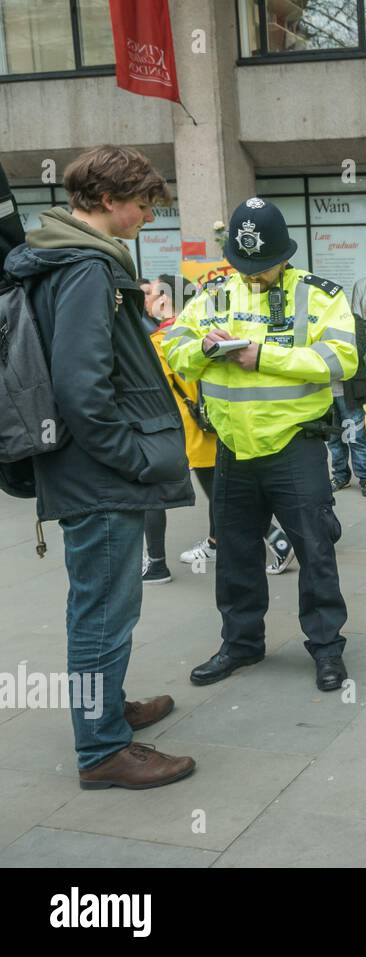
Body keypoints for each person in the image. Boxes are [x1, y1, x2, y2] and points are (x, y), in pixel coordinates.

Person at [4, 145, 196, 790]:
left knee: (103, 604)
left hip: (86, 467)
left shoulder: (67, 257)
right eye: (143, 203)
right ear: (108, 200)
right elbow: (85, 387)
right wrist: (133, 458)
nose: (148, 214)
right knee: (103, 612)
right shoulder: (87, 268)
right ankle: (102, 750)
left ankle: (106, 710)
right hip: (101, 472)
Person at [164, 197, 359, 693]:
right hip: (232, 447)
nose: (253, 275)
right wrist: (206, 350)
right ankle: (241, 643)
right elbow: (174, 345)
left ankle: (326, 649)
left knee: (314, 549)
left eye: (263, 266)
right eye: (244, 265)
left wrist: (264, 357)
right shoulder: (213, 294)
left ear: (285, 254)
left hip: (295, 446)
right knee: (234, 553)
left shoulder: (319, 296)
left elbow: (341, 360)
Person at [140, 273, 219, 584]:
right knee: (219, 492)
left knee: (152, 496)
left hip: (179, 432)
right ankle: (216, 544)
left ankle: (156, 564)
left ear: (164, 299)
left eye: (151, 294)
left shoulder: (160, 342)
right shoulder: (207, 334)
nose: (146, 300)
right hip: (211, 425)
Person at [327, 312, 366, 496]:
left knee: (356, 437)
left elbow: (358, 349)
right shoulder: (314, 321)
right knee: (333, 440)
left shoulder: (352, 319)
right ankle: (340, 476)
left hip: (350, 391)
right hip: (324, 392)